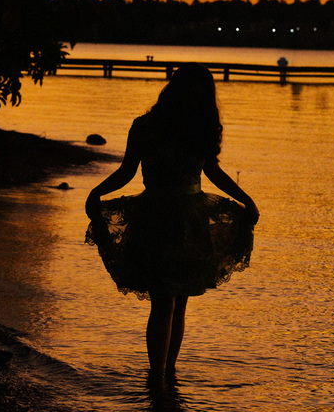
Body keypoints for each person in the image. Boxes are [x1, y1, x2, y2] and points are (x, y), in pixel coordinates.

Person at [85, 64, 259, 390]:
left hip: (190, 221)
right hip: (155, 218)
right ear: (178, 89)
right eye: (194, 91)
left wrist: (245, 199)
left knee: (179, 301)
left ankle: (167, 373)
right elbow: (126, 172)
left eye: (203, 94)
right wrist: (97, 192)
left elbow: (213, 171)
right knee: (164, 300)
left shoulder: (201, 128)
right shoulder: (145, 126)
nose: (198, 99)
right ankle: (158, 377)